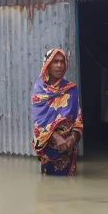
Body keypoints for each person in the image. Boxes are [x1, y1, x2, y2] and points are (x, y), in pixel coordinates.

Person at [31, 48, 83, 176]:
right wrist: (56, 137)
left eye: (62, 62)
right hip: (49, 146)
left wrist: (73, 138)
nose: (59, 65)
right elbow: (38, 121)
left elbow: (78, 118)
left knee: (69, 189)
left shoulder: (71, 89)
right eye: (55, 62)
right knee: (47, 188)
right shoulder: (40, 91)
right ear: (47, 65)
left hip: (68, 149)